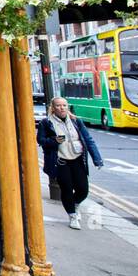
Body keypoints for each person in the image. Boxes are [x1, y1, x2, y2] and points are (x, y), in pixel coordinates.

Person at [37, 96, 103, 229]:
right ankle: (72, 216)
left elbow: (88, 140)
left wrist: (97, 159)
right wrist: (54, 140)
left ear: (67, 107)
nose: (61, 108)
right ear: (53, 108)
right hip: (60, 161)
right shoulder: (46, 123)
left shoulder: (76, 121)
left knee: (83, 189)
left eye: (64, 105)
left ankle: (75, 204)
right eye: (58, 106)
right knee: (66, 188)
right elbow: (41, 141)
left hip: (78, 159)